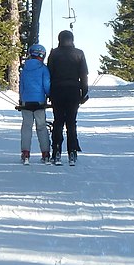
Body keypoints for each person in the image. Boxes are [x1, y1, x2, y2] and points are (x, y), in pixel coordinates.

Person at [46, 29, 88, 165]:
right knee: (71, 122)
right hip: (74, 90)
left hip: (57, 90)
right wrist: (84, 92)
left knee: (58, 121)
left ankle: (56, 150)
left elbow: (49, 74)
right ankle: (72, 152)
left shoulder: (54, 53)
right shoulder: (79, 53)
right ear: (72, 39)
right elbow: (83, 75)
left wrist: (48, 93)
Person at [17, 44, 51, 165]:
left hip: (26, 101)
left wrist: (21, 99)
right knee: (41, 127)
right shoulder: (43, 68)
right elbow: (46, 85)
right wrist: (49, 95)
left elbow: (21, 85)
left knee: (26, 127)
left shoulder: (25, 68)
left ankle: (25, 153)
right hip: (39, 101)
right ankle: (46, 154)